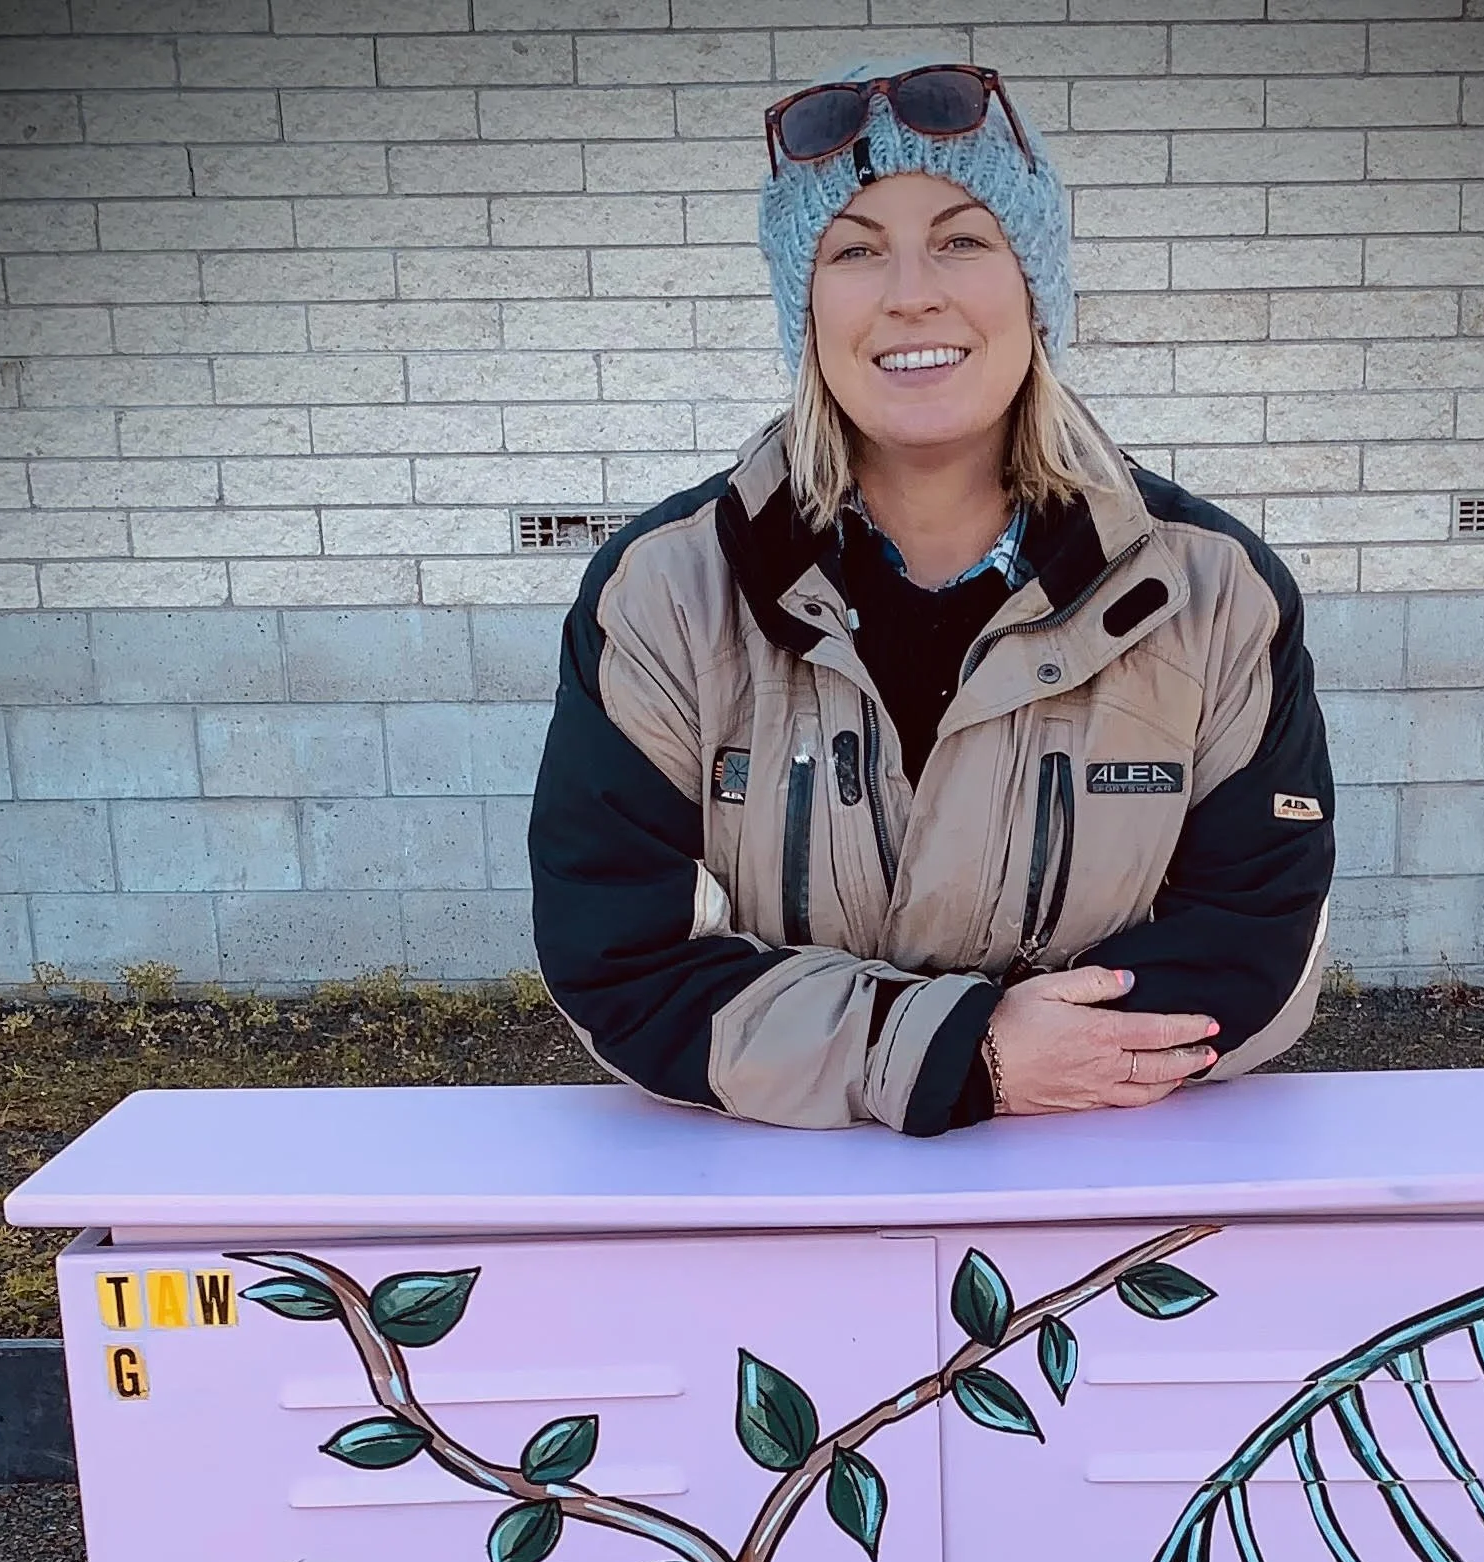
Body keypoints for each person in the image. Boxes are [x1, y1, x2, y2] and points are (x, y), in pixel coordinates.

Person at [529, 59, 1335, 1133]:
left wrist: (1024, 1060)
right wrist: (967, 1056)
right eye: (855, 250)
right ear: (806, 307)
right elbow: (622, 962)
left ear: (1036, 288)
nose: (912, 292)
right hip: (780, 1197)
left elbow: (1254, 938)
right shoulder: (665, 596)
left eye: (962, 241)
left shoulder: (1212, 595)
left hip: (1092, 1184)